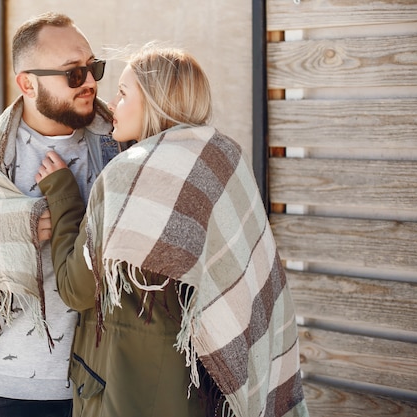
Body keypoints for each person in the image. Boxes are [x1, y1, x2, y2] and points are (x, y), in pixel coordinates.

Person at [35, 44, 310, 417]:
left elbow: (75, 289)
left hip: (126, 392)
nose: (112, 106)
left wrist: (63, 193)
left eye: (123, 93)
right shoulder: (224, 160)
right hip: (204, 390)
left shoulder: (126, 176)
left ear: (153, 101)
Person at [0, 12, 123, 417]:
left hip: (112, 376)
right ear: (27, 83)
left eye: (93, 68)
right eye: (72, 73)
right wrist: (16, 228)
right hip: (18, 384)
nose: (89, 82)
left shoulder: (121, 142)